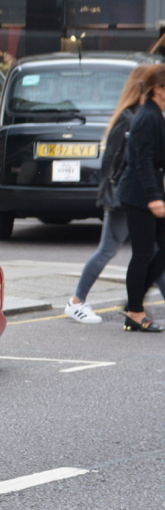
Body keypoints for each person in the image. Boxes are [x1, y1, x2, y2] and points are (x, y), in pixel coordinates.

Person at [64, 65, 165, 322]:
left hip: (131, 194)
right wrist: (115, 196)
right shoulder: (131, 118)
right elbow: (116, 162)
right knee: (109, 250)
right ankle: (77, 302)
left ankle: (135, 303)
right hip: (124, 196)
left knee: (152, 251)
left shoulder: (142, 115)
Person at [114, 62, 165, 332]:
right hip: (140, 196)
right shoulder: (148, 116)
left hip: (146, 193)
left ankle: (134, 302)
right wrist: (154, 198)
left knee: (154, 252)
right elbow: (143, 161)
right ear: (159, 89)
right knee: (143, 254)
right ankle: (134, 311)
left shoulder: (154, 113)